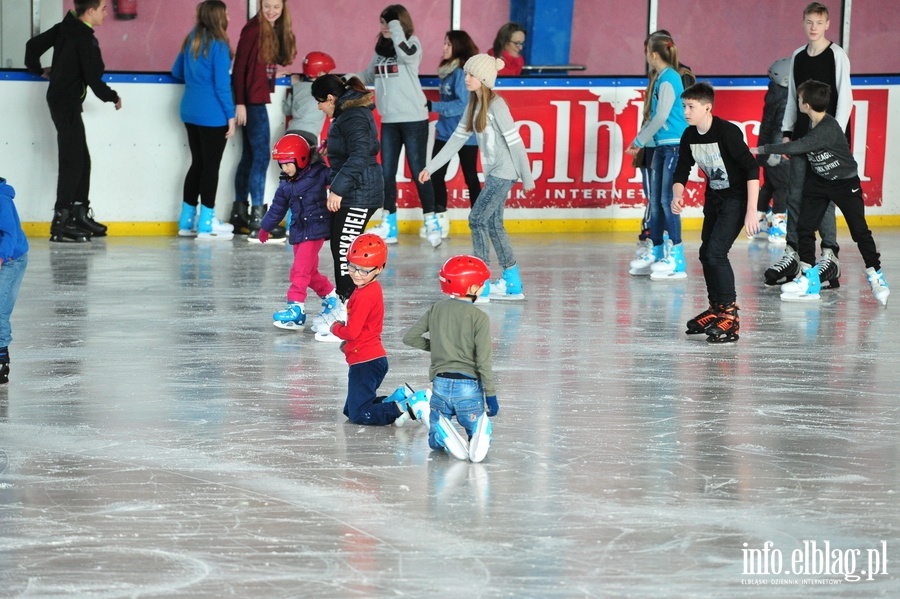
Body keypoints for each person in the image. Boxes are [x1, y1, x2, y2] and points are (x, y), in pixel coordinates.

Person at [751, 80, 889, 306]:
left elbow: (797, 147)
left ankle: (876, 275)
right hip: (820, 183)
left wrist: (763, 149)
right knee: (804, 227)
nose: (797, 102)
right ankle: (809, 278)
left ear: (805, 105)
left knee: (859, 231)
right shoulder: (814, 125)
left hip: (845, 184)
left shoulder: (827, 128)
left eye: (798, 99)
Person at [419, 55, 535, 302]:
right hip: (495, 172)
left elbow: (516, 144)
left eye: (471, 75)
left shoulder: (497, 106)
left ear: (483, 79)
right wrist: (431, 167)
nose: (466, 78)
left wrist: (527, 178)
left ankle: (479, 283)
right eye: (466, 74)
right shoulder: (473, 106)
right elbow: (456, 140)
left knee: (477, 219)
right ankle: (512, 282)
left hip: (505, 172)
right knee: (493, 224)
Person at [764, 1, 851, 288]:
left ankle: (829, 256)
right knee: (795, 193)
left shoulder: (837, 55)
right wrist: (788, 131)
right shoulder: (798, 56)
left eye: (819, 22)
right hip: (801, 138)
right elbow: (792, 99)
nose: (814, 27)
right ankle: (795, 252)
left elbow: (846, 98)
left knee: (822, 196)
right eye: (809, 22)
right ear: (803, 24)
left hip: (827, 141)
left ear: (827, 24)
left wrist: (833, 136)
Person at [24, 0, 121, 243]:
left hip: (63, 101)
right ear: (90, 11)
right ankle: (61, 221)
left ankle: (78, 212)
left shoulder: (64, 28)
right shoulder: (84, 38)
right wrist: (112, 97)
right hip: (65, 103)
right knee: (72, 161)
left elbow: (32, 46)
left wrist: (38, 70)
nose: (106, 13)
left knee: (82, 159)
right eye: (102, 9)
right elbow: (93, 77)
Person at [672, 82, 760, 343]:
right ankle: (717, 309)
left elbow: (752, 168)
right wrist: (678, 194)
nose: (686, 111)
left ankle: (730, 316)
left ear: (707, 107)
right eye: (684, 106)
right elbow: (681, 170)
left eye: (691, 107)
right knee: (705, 253)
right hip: (715, 198)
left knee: (716, 253)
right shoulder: (689, 136)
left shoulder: (727, 132)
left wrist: (752, 211)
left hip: (737, 198)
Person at [321, 234, 430, 425]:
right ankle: (399, 399)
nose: (356, 273)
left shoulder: (364, 295)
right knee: (352, 410)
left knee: (359, 414)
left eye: (363, 270)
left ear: (379, 269)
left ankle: (409, 405)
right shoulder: (369, 288)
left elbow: (352, 332)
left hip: (366, 362)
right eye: (352, 266)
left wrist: (335, 327)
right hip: (368, 359)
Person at [359, 4, 441, 247]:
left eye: (389, 23)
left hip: (414, 118)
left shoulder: (412, 44)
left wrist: (395, 26)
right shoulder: (380, 52)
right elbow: (365, 76)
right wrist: (338, 81)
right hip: (390, 120)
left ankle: (431, 220)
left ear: (399, 24)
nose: (384, 28)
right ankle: (389, 222)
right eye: (382, 23)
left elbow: (405, 55)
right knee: (386, 173)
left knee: (419, 171)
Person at [307, 74, 384, 338]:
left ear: (330, 98)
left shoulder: (352, 115)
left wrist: (337, 189)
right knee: (340, 247)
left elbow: (362, 153)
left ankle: (347, 312)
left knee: (345, 252)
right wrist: (332, 146)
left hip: (360, 192)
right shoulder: (347, 113)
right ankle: (344, 304)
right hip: (356, 190)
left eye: (320, 102)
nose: (319, 108)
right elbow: (357, 146)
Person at [402, 255, 499, 462]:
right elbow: (483, 361)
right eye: (481, 284)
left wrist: (440, 349)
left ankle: (440, 436)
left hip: (440, 387)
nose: (483, 287)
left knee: (434, 441)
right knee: (475, 430)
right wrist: (490, 395)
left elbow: (409, 337)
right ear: (472, 288)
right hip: (469, 391)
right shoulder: (479, 317)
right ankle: (478, 433)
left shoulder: (437, 309)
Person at [626, 33, 690, 280]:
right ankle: (659, 249)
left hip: (674, 146)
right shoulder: (661, 77)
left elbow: (662, 116)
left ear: (653, 54)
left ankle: (677, 256)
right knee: (656, 201)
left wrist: (639, 141)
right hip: (662, 146)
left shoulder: (669, 78)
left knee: (667, 201)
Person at [231, 0, 296, 240]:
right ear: (260, 5)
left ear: (282, 8)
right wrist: (240, 102)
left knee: (249, 157)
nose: (271, 11)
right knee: (259, 157)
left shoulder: (269, 29)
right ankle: (259, 219)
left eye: (276, 7)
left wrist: (272, 75)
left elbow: (257, 67)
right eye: (267, 6)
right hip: (251, 102)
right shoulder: (254, 29)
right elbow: (239, 68)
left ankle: (240, 214)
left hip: (253, 99)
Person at [171, 0, 236, 241]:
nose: (228, 17)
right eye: (226, 14)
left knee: (197, 164)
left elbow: (177, 71)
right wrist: (231, 116)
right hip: (212, 115)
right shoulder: (219, 45)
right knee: (211, 167)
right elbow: (221, 86)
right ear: (219, 17)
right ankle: (207, 223)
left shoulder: (192, 39)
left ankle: (186, 221)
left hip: (189, 110)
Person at [258, 134, 334, 329]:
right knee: (310, 272)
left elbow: (338, 175)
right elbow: (277, 208)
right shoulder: (286, 183)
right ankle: (331, 298)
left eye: (288, 164)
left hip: (315, 230)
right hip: (299, 231)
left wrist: (332, 149)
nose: (285, 169)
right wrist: (266, 227)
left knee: (299, 270)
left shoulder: (319, 173)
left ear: (301, 158)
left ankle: (296, 309)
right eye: (281, 165)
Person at [422, 30, 480, 241]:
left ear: (458, 46)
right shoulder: (448, 71)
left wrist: (433, 105)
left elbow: (462, 104)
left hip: (465, 134)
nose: (444, 47)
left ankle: (478, 218)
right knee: (435, 175)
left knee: (471, 177)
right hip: (445, 133)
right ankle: (441, 219)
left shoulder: (461, 73)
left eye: (448, 44)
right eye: (444, 43)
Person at [753, 57, 792, 244]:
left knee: (769, 186)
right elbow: (779, 128)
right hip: (777, 154)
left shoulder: (773, 94)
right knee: (782, 188)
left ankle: (758, 221)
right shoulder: (785, 100)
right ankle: (778, 225)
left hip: (767, 150)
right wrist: (777, 153)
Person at [0, 177, 28, 385]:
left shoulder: (2, 199)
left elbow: (9, 234)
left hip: (10, 260)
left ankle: (1, 359)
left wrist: (1, 257)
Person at [283, 51, 335, 146]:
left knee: (288, 160)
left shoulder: (296, 87)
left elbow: (286, 110)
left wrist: (295, 86)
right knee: (310, 160)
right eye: (329, 72)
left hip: (290, 133)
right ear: (320, 73)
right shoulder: (326, 91)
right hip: (309, 135)